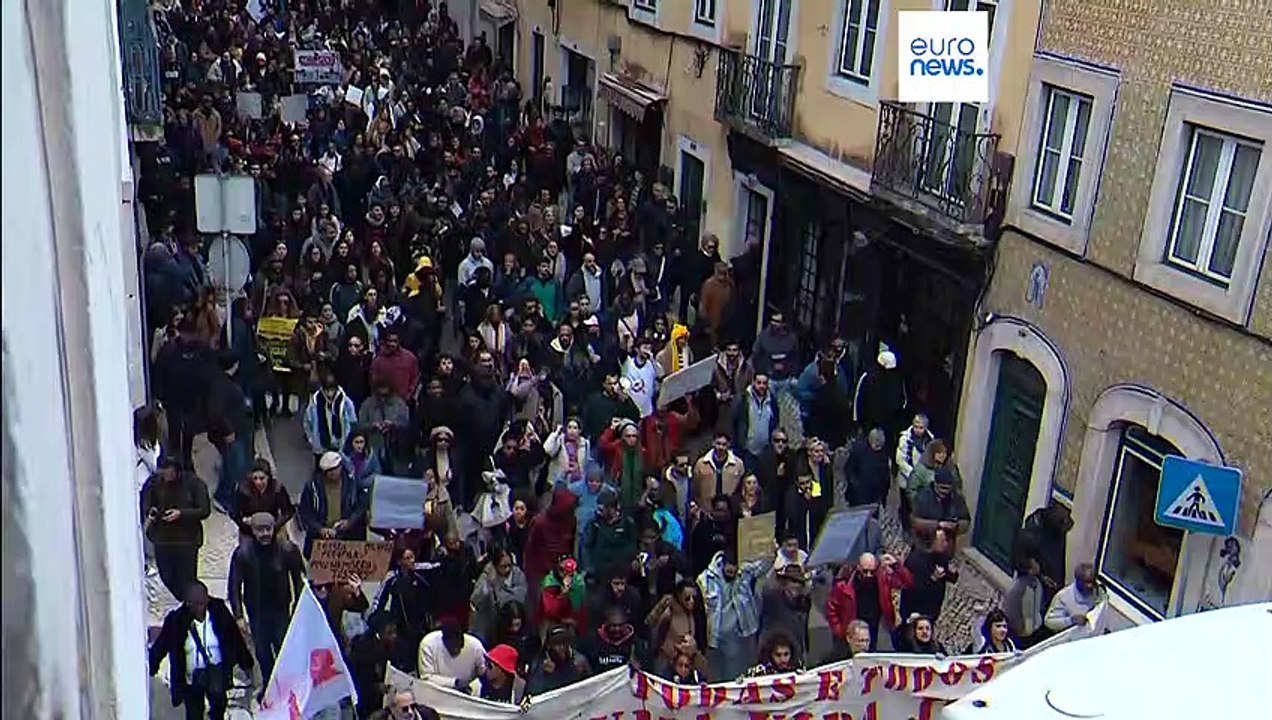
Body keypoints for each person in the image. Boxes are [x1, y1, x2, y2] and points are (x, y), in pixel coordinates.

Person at [148, 581, 254, 720]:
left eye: (201, 603)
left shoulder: (219, 612)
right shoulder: (177, 620)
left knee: (218, 708)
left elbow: (233, 636)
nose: (198, 608)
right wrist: (151, 665)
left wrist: (245, 663)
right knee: (194, 713)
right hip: (191, 677)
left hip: (216, 671)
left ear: (207, 600)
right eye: (193, 604)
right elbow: (162, 644)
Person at [227, 512, 304, 690]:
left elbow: (299, 581)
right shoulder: (243, 554)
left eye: (268, 529)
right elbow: (234, 586)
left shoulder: (287, 550)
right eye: (260, 530)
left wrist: (298, 608)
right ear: (252, 531)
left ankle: (287, 687)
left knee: (284, 651)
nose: (265, 534)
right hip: (257, 612)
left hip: (281, 611)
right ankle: (270, 688)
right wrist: (238, 616)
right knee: (262, 654)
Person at [140, 454, 212, 600]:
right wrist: (151, 512)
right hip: (163, 537)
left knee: (187, 577)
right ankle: (186, 599)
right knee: (167, 575)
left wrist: (181, 514)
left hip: (186, 539)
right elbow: (146, 502)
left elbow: (204, 510)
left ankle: (193, 601)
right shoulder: (154, 483)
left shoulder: (194, 484)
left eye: (169, 471)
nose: (166, 475)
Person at [698, 551, 770, 681]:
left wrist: (771, 551)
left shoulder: (744, 573)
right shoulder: (707, 578)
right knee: (721, 676)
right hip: (716, 634)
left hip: (741, 632)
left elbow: (764, 567)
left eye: (734, 569)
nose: (732, 571)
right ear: (723, 565)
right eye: (729, 569)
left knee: (741, 674)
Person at [826, 552, 913, 652]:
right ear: (858, 567)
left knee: (871, 656)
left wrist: (896, 565)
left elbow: (907, 582)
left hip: (874, 625)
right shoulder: (844, 585)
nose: (869, 575)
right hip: (852, 628)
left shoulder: (884, 579)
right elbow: (831, 608)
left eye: (872, 571)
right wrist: (839, 630)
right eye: (865, 571)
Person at [371, 547, 433, 672]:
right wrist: (375, 618)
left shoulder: (419, 576)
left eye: (413, 557)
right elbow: (379, 599)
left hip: (417, 623)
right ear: (400, 561)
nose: (412, 561)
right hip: (398, 624)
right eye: (408, 558)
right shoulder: (392, 577)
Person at [298, 450, 370, 557]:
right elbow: (306, 512)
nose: (333, 473)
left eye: (335, 469)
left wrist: (350, 521)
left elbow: (361, 506)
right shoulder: (312, 487)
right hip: (322, 537)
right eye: (329, 471)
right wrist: (319, 529)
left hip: (349, 535)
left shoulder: (353, 482)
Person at [899, 527, 959, 625]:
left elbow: (948, 576)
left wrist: (952, 573)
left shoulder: (940, 556)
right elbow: (915, 589)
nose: (946, 544)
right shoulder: (916, 560)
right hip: (915, 611)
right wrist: (933, 578)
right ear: (933, 542)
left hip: (932, 610)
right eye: (942, 541)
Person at [470, 547, 529, 643]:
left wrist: (499, 591)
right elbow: (475, 600)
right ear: (495, 565)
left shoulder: (517, 573)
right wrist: (488, 584)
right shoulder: (487, 576)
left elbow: (520, 596)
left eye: (509, 565)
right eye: (503, 566)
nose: (508, 569)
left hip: (512, 627)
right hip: (490, 626)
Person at [348, 613, 400, 718]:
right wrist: (376, 688)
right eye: (390, 633)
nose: (394, 636)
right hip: (366, 705)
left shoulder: (394, 648)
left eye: (395, 632)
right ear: (378, 634)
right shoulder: (362, 650)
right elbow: (358, 683)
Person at [758, 564, 812, 664]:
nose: (796, 585)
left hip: (797, 651)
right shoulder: (773, 598)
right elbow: (764, 587)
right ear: (785, 583)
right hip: (775, 651)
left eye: (799, 582)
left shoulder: (804, 603)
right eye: (793, 581)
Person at [303, 369, 359, 466]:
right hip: (321, 448)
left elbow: (353, 422)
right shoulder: (315, 403)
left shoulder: (346, 403)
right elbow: (307, 422)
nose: (330, 394)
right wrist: (312, 440)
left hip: (341, 446)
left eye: (332, 390)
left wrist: (347, 442)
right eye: (327, 390)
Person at [579, 489, 638, 579]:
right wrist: (588, 568)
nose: (599, 512)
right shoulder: (594, 524)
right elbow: (586, 547)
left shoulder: (627, 524)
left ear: (611, 509)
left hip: (622, 572)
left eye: (602, 509)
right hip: (600, 572)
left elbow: (632, 545)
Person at [232, 458, 295, 539]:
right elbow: (235, 513)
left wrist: (275, 525)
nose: (258, 482)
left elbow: (288, 512)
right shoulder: (243, 490)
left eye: (262, 478)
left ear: (268, 477)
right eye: (255, 478)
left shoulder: (277, 489)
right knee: (245, 550)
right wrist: (245, 522)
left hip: (273, 526)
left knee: (284, 547)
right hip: (250, 529)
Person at [417, 620, 487, 692]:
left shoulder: (475, 646)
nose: (457, 649)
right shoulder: (428, 644)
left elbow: (484, 672)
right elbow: (426, 678)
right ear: (444, 640)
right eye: (453, 646)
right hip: (438, 692)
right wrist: (455, 683)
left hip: (469, 693)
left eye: (460, 645)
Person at [580, 605, 648, 674]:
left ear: (626, 624)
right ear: (606, 623)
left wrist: (639, 668)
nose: (617, 629)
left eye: (620, 625)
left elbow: (647, 670)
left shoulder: (637, 644)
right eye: (613, 625)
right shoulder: (592, 643)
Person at [526, 624, 592, 694]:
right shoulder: (539, 664)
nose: (562, 647)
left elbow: (592, 687)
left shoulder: (579, 661)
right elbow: (533, 694)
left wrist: (576, 670)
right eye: (557, 644)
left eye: (564, 643)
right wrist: (545, 674)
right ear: (549, 646)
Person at [895, 414, 933, 531]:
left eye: (921, 427)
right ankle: (905, 527)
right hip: (907, 479)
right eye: (916, 426)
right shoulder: (905, 438)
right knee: (906, 504)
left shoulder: (930, 440)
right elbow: (900, 459)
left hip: (922, 481)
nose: (918, 430)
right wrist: (913, 473)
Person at [910, 466, 971, 539]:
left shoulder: (957, 498)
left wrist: (956, 526)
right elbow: (915, 522)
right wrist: (937, 525)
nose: (944, 491)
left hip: (948, 542)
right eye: (942, 488)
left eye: (947, 489)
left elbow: (966, 521)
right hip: (926, 542)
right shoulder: (923, 497)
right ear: (935, 484)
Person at [1044, 562, 1105, 632]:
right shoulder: (1063, 596)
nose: (1090, 586)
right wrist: (1071, 621)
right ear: (1078, 580)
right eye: (1087, 582)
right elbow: (1049, 622)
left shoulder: (1099, 592)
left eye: (1092, 581)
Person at [1002, 555, 1046, 647]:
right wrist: (1021, 629)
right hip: (1023, 634)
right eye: (1035, 563)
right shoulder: (1017, 589)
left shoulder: (1036, 583)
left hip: (1035, 629)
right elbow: (1011, 611)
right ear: (1030, 570)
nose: (1038, 565)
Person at [844, 427, 892, 510]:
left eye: (880, 446)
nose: (878, 448)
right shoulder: (858, 449)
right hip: (858, 496)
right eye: (876, 446)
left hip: (875, 496)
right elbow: (849, 470)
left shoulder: (883, 453)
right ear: (870, 441)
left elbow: (885, 476)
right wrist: (855, 486)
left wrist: (883, 497)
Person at [692, 433, 746, 506]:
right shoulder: (701, 463)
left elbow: (742, 487)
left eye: (724, 444)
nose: (721, 447)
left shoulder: (738, 464)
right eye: (718, 443)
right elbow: (696, 487)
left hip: (730, 508)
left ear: (728, 445)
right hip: (707, 507)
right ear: (713, 443)